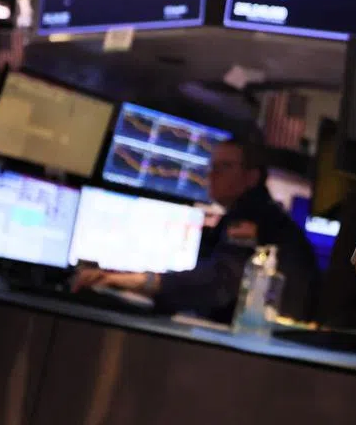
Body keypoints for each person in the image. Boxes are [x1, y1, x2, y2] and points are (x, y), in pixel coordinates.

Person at [74, 137, 320, 322]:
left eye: (224, 167)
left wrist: (129, 281)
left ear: (251, 177)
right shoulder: (258, 214)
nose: (212, 175)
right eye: (212, 166)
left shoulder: (253, 218)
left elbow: (217, 284)